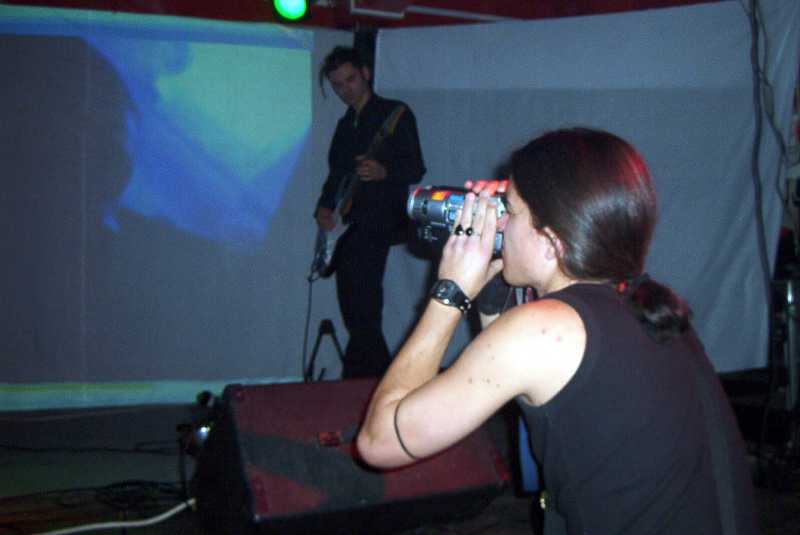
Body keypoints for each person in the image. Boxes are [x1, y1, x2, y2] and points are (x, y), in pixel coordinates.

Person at [357, 128, 760, 534]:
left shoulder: (545, 330)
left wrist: (451, 291)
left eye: (510, 211)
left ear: (551, 241)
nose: (500, 221)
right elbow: (521, 389)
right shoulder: (645, 306)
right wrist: (493, 283)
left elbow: (380, 442)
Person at [315, 46, 426, 379]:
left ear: (366, 73)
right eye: (337, 85)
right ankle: (371, 378)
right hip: (351, 222)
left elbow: (415, 167)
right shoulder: (345, 125)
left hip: (381, 219)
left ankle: (368, 378)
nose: (345, 90)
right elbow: (337, 174)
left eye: (350, 80)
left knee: (363, 304)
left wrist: (384, 171)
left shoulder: (395, 113)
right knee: (354, 305)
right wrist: (324, 205)